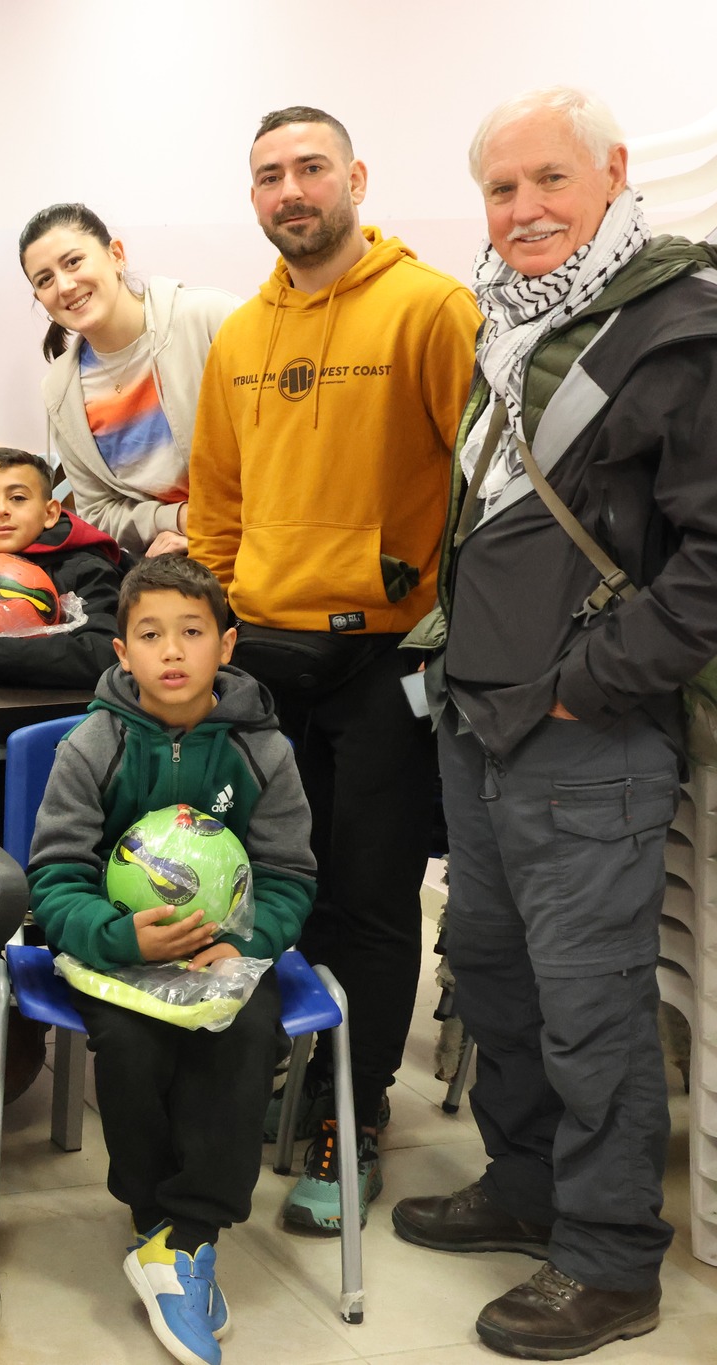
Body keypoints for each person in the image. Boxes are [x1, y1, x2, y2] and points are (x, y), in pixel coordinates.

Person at [390, 87, 717, 1360]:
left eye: (546, 181)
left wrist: (593, 680)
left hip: (583, 735)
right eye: (498, 189)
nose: (521, 210)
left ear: (611, 176)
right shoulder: (511, 324)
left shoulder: (676, 326)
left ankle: (604, 1258)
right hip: (479, 723)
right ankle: (523, 1185)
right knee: (488, 977)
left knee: (589, 1010)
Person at [188, 105, 482, 1233]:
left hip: (383, 661)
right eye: (267, 175)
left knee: (365, 899)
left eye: (309, 168)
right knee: (267, 888)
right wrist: (212, 633)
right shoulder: (239, 337)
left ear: (354, 176)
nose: (288, 191)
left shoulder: (427, 307)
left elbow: (477, 488)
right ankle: (284, 1063)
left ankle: (347, 1115)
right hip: (261, 656)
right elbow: (213, 503)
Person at [28, 554, 316, 1365]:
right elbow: (54, 878)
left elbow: (291, 874)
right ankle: (160, 1225)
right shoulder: (94, 744)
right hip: (117, 951)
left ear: (227, 645)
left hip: (228, 952)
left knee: (245, 1031)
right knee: (132, 1041)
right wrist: (121, 937)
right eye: (149, 635)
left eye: (192, 632)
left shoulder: (265, 750)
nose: (172, 651)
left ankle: (188, 1234)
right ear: (121, 652)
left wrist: (246, 942)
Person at [21, 203, 239, 557]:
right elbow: (100, 513)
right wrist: (180, 519)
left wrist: (216, 529)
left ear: (116, 255)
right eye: (44, 279)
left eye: (73, 261)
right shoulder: (61, 393)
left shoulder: (211, 319)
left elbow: (285, 448)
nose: (65, 285)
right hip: (169, 568)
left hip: (262, 547)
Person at [0, 448, 124, 689]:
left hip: (52, 712)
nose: (1, 510)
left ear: (50, 513)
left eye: (18, 498)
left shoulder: (86, 570)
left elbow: (104, 653)